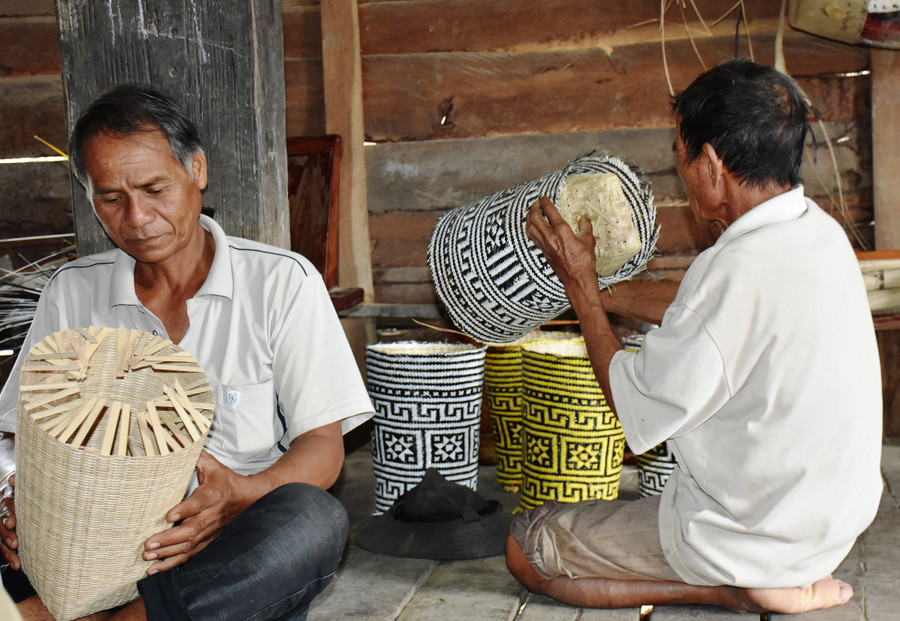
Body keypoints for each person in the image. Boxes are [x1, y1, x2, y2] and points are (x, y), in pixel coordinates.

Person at [507, 58, 883, 614]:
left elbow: (630, 402)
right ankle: (772, 577)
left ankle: (729, 588)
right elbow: (703, 308)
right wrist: (594, 287)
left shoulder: (732, 271)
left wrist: (583, 291)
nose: (680, 170)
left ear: (711, 165)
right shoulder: (818, 234)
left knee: (525, 547)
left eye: (680, 155)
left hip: (754, 538)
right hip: (830, 526)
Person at [0, 84, 374, 620]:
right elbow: (13, 431)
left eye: (155, 188)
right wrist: (8, 495)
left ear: (196, 171)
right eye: (111, 197)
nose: (137, 217)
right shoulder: (72, 291)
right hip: (81, 539)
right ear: (89, 197)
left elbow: (323, 448)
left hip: (219, 545)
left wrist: (240, 495)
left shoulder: (281, 282)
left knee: (312, 520)